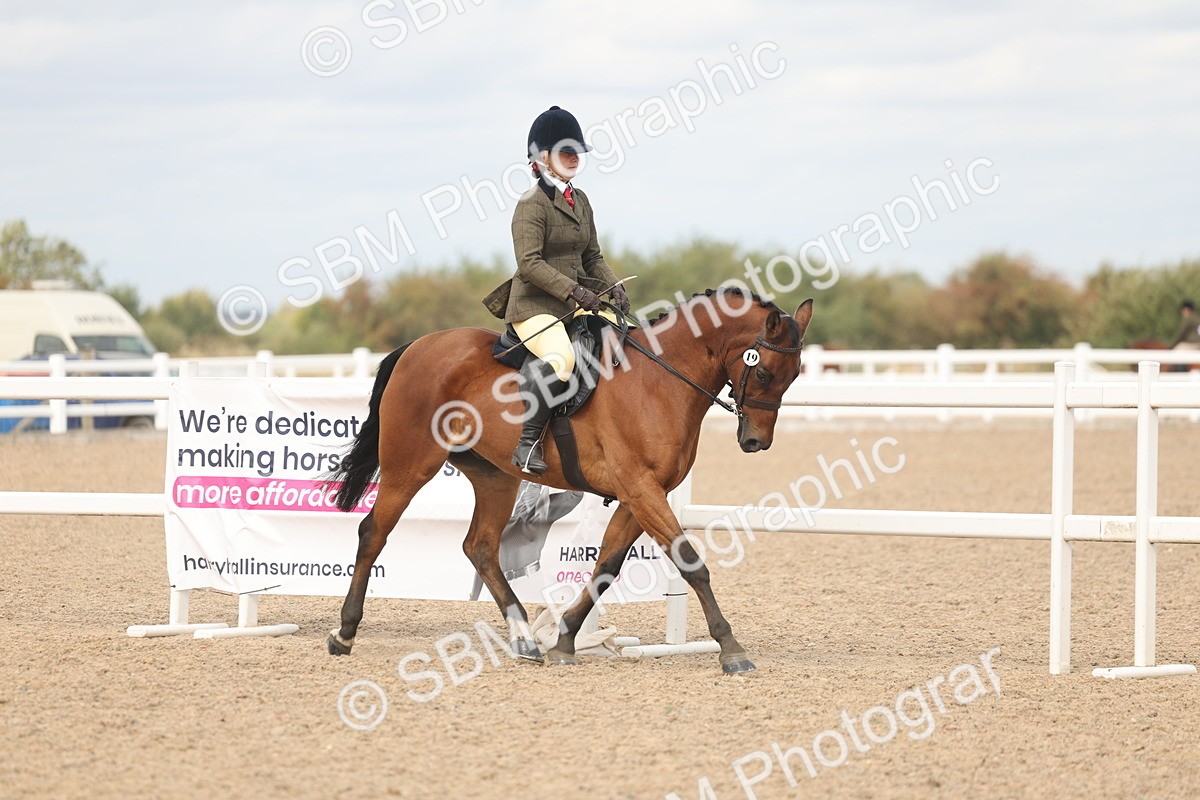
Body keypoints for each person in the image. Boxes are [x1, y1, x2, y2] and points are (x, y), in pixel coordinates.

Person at [482, 106, 631, 475]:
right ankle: (527, 443)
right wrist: (575, 292)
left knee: (626, 332)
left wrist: (614, 289)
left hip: (571, 302)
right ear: (541, 157)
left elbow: (592, 255)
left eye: (576, 151)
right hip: (534, 307)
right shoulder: (530, 205)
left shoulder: (580, 201)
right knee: (561, 359)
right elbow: (529, 264)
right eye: (565, 151)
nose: (573, 158)